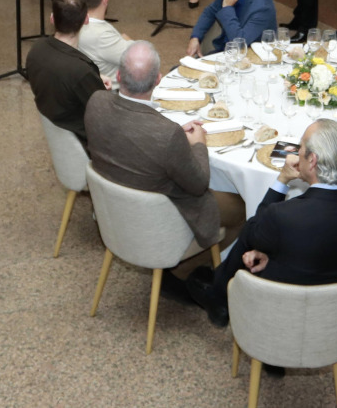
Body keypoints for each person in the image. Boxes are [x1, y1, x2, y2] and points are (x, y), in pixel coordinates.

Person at [186, 119, 337, 331]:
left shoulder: (283, 215)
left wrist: (282, 180)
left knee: (251, 239)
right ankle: (219, 295)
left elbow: (252, 230)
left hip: (283, 314)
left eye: (301, 148)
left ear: (312, 161)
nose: (297, 153)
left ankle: (218, 296)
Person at [84, 42, 245, 276]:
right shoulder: (167, 136)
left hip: (115, 208)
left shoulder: (96, 101)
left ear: (118, 75)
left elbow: (134, 129)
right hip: (161, 216)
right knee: (242, 208)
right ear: (158, 80)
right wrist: (199, 144)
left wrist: (174, 133)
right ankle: (190, 272)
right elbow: (199, 184)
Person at [26, 0, 108, 143]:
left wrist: (93, 80)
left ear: (52, 18)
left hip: (61, 133)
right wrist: (92, 80)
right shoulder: (81, 71)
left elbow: (60, 78)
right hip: (87, 141)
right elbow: (105, 114)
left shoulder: (35, 50)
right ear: (86, 20)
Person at [77, 0, 134, 80]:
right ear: (105, 0)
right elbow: (140, 57)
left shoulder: (73, 23)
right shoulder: (102, 35)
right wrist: (127, 39)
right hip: (115, 87)